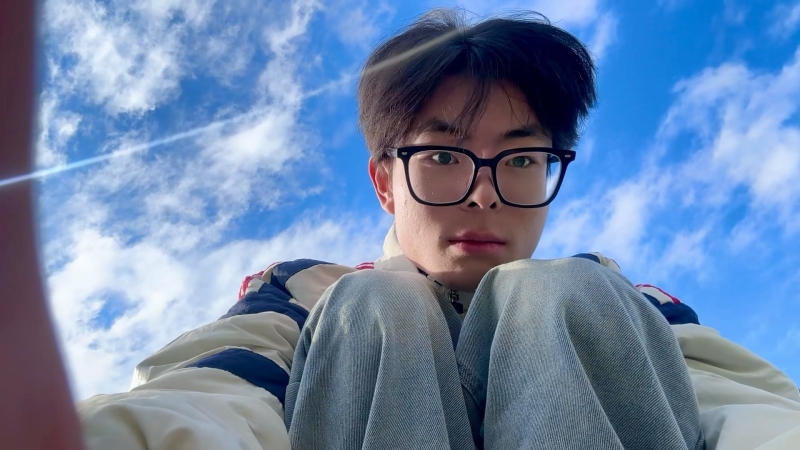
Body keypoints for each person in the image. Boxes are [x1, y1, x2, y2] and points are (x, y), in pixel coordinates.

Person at [2, 6, 799, 450]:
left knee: (568, 291)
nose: (483, 194)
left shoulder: (621, 301)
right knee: (378, 304)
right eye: (445, 155)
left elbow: (738, 406)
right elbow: (219, 392)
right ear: (386, 180)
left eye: (521, 158)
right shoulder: (310, 293)